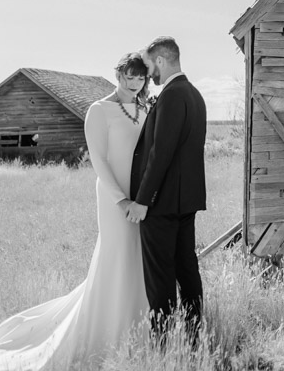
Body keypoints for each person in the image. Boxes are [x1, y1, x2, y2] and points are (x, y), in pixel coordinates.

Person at [0, 54, 152, 371]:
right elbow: (99, 162)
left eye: (140, 79)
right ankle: (103, 331)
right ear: (118, 75)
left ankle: (138, 328)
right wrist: (121, 201)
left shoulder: (145, 109)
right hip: (113, 197)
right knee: (116, 255)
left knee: (138, 257)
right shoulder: (99, 110)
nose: (134, 84)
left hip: (140, 195)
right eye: (129, 77)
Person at [126, 35, 208, 343]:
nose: (149, 74)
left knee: (160, 278)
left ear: (161, 60)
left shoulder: (172, 95)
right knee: (187, 271)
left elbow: (161, 153)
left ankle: (161, 344)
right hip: (185, 202)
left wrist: (143, 201)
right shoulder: (195, 95)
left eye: (149, 66)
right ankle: (193, 338)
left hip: (162, 206)